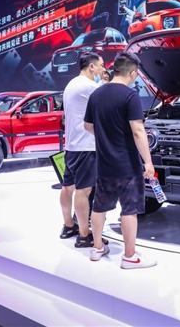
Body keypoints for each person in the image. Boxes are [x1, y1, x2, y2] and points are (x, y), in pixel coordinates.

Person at [84, 52, 156, 269]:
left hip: (104, 164)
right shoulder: (130, 96)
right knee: (129, 210)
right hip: (127, 165)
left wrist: (105, 136)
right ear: (132, 72)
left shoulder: (96, 95)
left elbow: (87, 126)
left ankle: (97, 248)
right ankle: (130, 256)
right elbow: (138, 131)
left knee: (99, 207)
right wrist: (148, 162)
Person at [59, 52, 110, 248]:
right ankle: (84, 235)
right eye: (101, 65)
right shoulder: (89, 87)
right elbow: (108, 99)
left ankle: (68, 225)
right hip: (86, 146)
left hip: (71, 146)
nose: (103, 69)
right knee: (84, 191)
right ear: (91, 67)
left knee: (67, 187)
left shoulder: (70, 84)